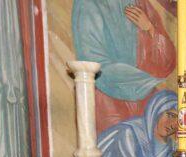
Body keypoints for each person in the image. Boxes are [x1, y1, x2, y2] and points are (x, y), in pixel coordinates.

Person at [72, 0, 176, 133]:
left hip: (144, 96)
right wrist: (143, 81)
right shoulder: (88, 4)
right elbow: (92, 59)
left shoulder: (139, 3)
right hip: (107, 97)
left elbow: (167, 63)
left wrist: (150, 29)